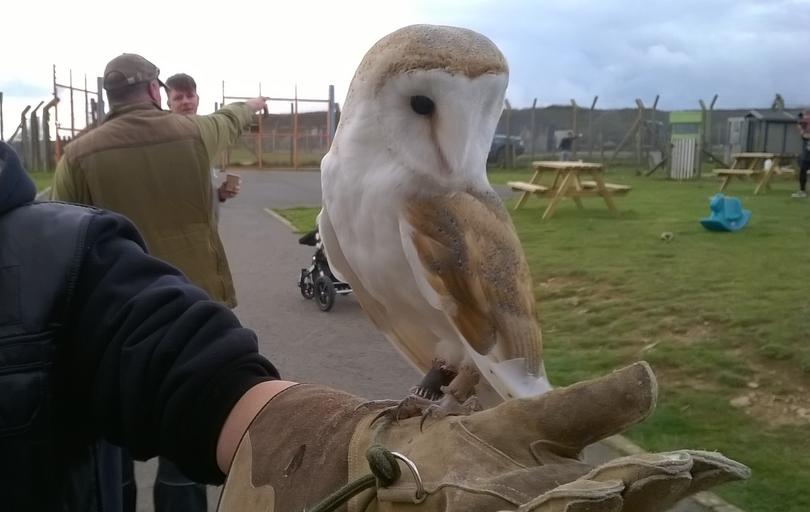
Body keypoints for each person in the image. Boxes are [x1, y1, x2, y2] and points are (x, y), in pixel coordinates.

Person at [3, 142, 749, 511]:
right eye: (425, 109)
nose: (457, 149)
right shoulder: (344, 214)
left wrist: (335, 449)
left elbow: (187, 370)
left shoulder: (58, 255)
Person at [50, 53, 266, 511]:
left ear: (111, 96)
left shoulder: (79, 155)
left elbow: (59, 227)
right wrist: (252, 104)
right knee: (187, 427)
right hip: (195, 304)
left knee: (113, 435)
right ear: (154, 90)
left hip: (114, 315)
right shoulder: (194, 132)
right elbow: (230, 119)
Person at [165, 72, 240, 209]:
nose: (186, 101)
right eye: (178, 98)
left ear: (197, 99)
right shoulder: (163, 137)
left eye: (190, 96)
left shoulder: (204, 133)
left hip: (203, 218)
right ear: (169, 104)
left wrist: (220, 194)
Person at [792, 111, 810, 198]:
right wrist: (802, 131)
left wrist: (802, 131)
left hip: (807, 154)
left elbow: (806, 135)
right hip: (806, 154)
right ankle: (802, 191)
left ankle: (802, 191)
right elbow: (804, 135)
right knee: (803, 171)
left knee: (803, 170)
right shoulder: (804, 123)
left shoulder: (806, 121)